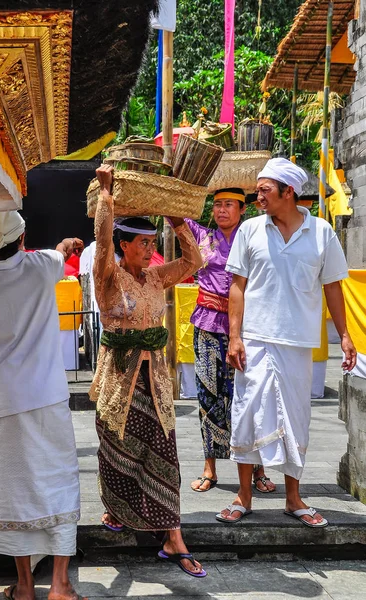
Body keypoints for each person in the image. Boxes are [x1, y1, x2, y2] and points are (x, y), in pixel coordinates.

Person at [217, 158, 356, 527]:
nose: (257, 196)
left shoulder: (322, 232)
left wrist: (344, 335)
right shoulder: (249, 231)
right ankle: (243, 496)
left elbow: (333, 287)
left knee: (296, 418)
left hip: (297, 343)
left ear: (288, 192)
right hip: (255, 340)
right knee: (246, 413)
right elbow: (237, 288)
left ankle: (294, 498)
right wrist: (234, 337)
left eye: (264, 190)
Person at [89, 165, 206, 577]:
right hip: (118, 379)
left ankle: (173, 538)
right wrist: (106, 197)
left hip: (154, 380)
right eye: (141, 242)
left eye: (152, 242)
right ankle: (118, 511)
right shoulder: (108, 276)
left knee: (164, 453)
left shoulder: (157, 277)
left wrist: (178, 220)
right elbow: (101, 245)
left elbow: (195, 260)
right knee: (116, 450)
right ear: (123, 244)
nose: (148, 249)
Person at [0, 211, 85, 600]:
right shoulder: (42, 265)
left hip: (7, 400)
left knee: (13, 489)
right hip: (49, 396)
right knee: (59, 481)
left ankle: (24, 586)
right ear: (23, 239)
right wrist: (69, 243)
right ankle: (61, 585)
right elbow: (61, 251)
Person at [184, 190, 276, 494]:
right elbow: (175, 217)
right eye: (218, 204)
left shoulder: (253, 237)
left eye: (229, 205)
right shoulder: (203, 236)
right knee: (208, 396)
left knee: (251, 396)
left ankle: (258, 468)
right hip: (208, 326)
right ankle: (210, 467)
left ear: (242, 209)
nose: (222, 210)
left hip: (246, 329)